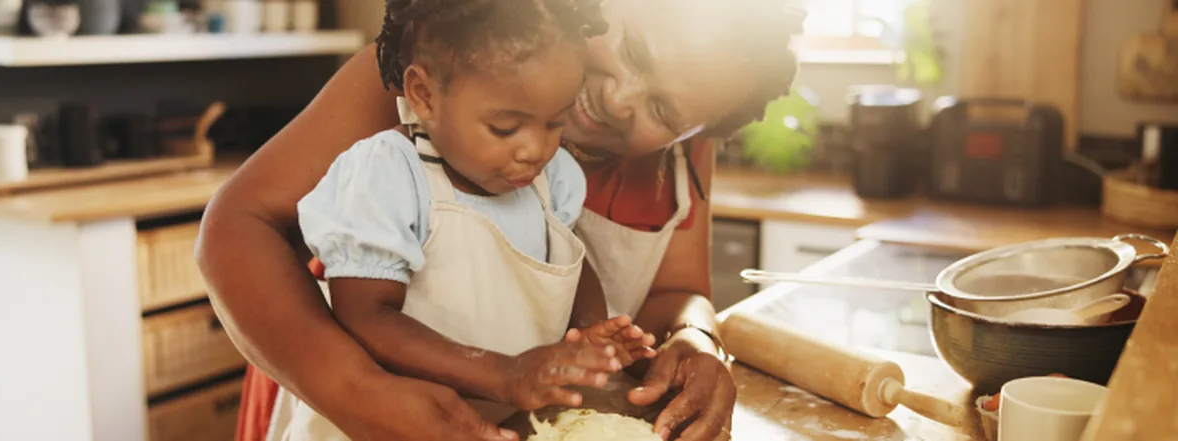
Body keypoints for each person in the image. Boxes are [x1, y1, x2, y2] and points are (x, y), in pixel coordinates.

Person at [195, 1, 806, 440]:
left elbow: (677, 292)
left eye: (665, 109)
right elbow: (237, 224)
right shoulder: (447, 71)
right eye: (632, 49)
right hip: (337, 389)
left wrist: (697, 341)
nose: (620, 97)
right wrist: (357, 393)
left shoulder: (679, 149)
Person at [281, 1, 663, 438]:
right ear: (425, 96)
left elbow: (568, 266)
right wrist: (503, 373)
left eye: (555, 122)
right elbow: (366, 316)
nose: (534, 149)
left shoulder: (551, 180)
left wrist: (587, 336)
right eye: (505, 127)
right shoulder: (387, 176)